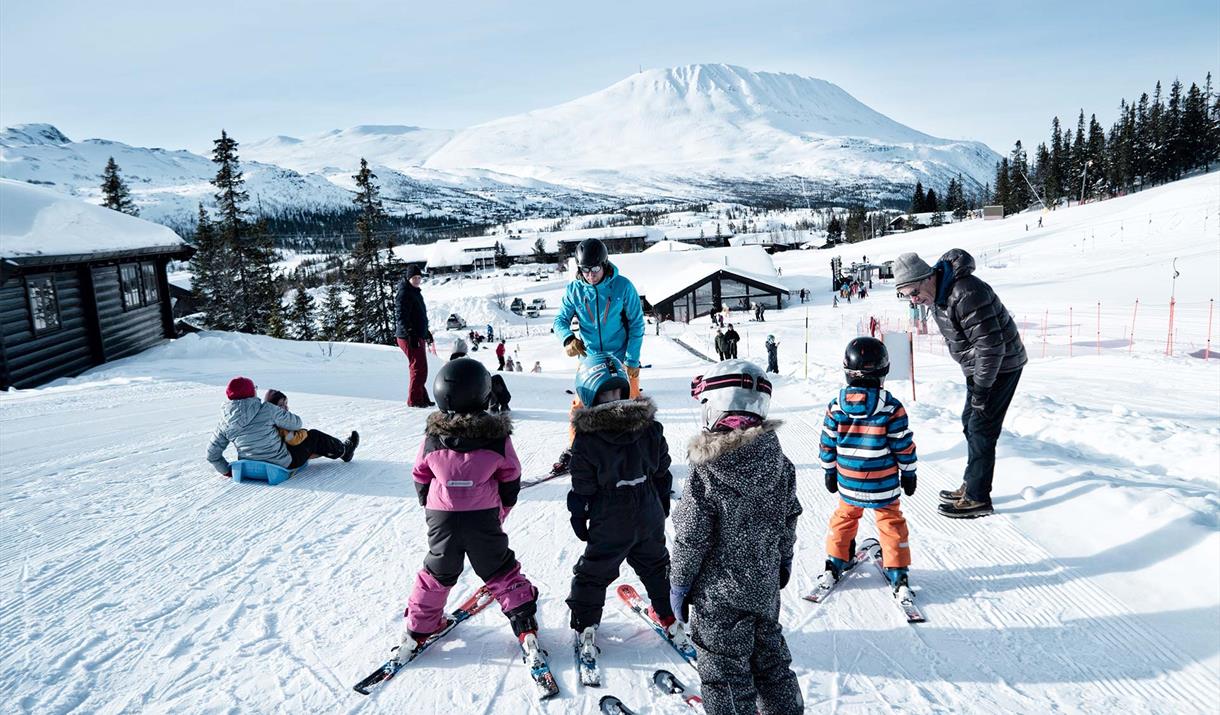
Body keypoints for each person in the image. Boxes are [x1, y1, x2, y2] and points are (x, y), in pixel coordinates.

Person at [671, 360, 803, 715]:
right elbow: (789, 516)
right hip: (763, 587)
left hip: (719, 597)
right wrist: (784, 559)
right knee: (771, 661)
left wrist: (680, 584)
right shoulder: (779, 462)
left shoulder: (707, 470)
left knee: (724, 673)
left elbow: (690, 536)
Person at [399, 358, 543, 668]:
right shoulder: (496, 437)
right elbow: (511, 475)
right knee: (499, 568)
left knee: (438, 569)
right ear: (483, 393)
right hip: (483, 515)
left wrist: (429, 503)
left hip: (442, 517)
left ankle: (418, 628)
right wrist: (503, 506)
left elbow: (420, 474)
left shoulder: (432, 438)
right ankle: (524, 623)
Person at [565, 353, 685, 663]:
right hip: (647, 509)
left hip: (611, 514)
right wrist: (660, 501)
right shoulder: (649, 427)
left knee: (594, 571)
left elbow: (583, 484)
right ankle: (669, 616)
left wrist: (579, 512)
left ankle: (586, 625)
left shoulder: (587, 437)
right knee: (656, 565)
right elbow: (662, 470)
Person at [893, 250, 1026, 518]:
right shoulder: (938, 295)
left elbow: (991, 346)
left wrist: (981, 389)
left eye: (914, 293)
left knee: (981, 427)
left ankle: (978, 498)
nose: (915, 301)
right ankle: (972, 483)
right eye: (907, 296)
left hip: (1000, 365)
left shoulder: (966, 292)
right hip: (980, 367)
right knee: (970, 421)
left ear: (926, 277)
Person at [818, 337, 917, 597]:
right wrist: (909, 473)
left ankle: (836, 561)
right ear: (884, 372)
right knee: (890, 521)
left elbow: (827, 442)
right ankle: (897, 570)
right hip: (883, 483)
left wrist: (829, 470)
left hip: (849, 482)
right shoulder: (891, 407)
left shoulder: (836, 406)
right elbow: (902, 444)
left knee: (845, 518)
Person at [550, 238, 646, 476]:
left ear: (604, 264)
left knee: (631, 403)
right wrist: (568, 339)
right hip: (591, 359)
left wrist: (632, 360)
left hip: (622, 358)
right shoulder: (574, 290)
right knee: (581, 407)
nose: (590, 275)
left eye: (595, 269)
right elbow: (560, 320)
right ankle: (576, 449)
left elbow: (636, 324)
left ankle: (641, 449)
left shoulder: (623, 287)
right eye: (585, 270)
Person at [207, 377, 358, 476]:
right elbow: (297, 424)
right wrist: (280, 412)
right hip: (281, 463)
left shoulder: (225, 422)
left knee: (289, 440)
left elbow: (212, 454)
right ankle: (345, 451)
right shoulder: (266, 409)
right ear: (252, 392)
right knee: (313, 436)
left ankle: (324, 452)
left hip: (249, 466)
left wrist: (227, 471)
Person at [395, 265, 435, 408]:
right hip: (408, 337)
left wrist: (425, 332)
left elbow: (418, 315)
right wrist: (410, 332)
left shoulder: (415, 291)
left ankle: (422, 397)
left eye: (419, 277)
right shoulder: (404, 293)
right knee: (418, 367)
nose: (417, 280)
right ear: (408, 278)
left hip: (417, 335)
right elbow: (401, 317)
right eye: (414, 278)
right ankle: (415, 400)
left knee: (421, 367)